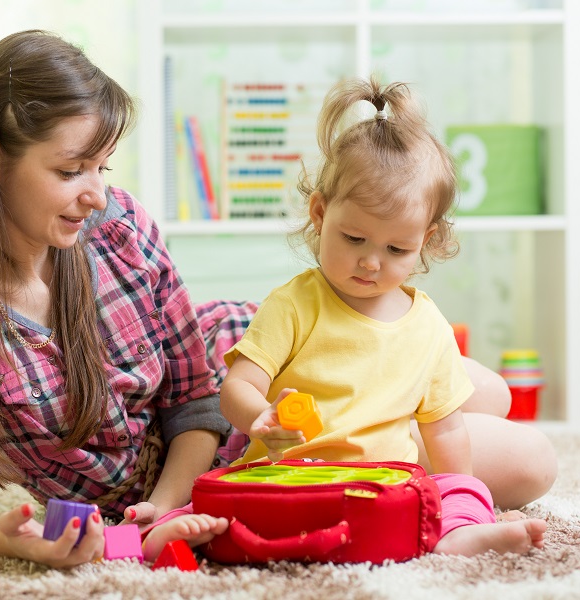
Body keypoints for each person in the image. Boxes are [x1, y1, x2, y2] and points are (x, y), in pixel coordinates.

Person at [0, 29, 230, 568]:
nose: (97, 194)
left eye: (103, 167)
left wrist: (165, 509)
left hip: (249, 379)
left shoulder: (120, 227)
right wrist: (4, 543)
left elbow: (196, 400)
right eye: (69, 170)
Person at [218, 77, 547, 556]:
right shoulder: (294, 303)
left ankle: (458, 533)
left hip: (387, 485)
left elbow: (446, 429)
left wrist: (465, 493)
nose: (371, 263)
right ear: (319, 213)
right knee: (218, 514)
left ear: (426, 241)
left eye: (396, 249)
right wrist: (261, 416)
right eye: (354, 239)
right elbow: (235, 389)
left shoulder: (426, 323)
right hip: (292, 475)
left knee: (453, 491)